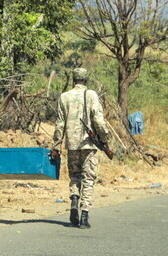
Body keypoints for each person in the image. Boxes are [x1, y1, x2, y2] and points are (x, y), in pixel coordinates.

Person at [50, 67, 112, 229]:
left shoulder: (64, 97)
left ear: (73, 80)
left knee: (75, 176)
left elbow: (60, 124)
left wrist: (56, 145)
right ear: (86, 80)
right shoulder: (91, 95)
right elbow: (98, 120)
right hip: (88, 145)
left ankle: (74, 199)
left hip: (72, 144)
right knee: (89, 178)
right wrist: (104, 138)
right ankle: (84, 215)